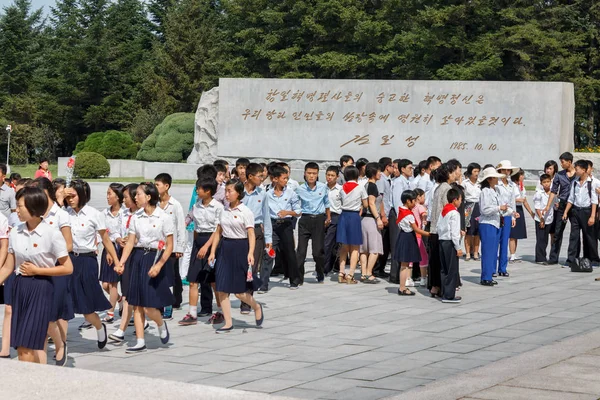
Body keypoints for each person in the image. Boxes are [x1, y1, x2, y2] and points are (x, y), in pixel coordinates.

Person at [0, 187, 71, 363]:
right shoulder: (15, 231)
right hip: (20, 287)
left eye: (20, 206)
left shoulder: (51, 233)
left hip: (41, 288)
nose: (16, 210)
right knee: (23, 346)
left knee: (27, 345)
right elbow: (8, 267)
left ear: (33, 207)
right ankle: (37, 381)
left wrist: (38, 270)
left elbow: (67, 267)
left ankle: (28, 384)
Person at [116, 183, 173, 352]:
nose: (135, 197)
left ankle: (161, 324)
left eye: (139, 194)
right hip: (138, 258)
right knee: (137, 302)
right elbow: (131, 241)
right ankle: (140, 340)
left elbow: (169, 245)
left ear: (148, 197)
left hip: (156, 258)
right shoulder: (136, 217)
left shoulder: (163, 217)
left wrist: (159, 265)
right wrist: (122, 262)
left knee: (149, 305)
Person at [65, 179, 120, 348]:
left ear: (82, 195)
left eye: (73, 196)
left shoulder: (94, 214)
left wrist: (117, 261)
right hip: (68, 260)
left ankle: (98, 326)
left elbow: (106, 240)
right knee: (63, 300)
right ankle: (60, 342)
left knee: (86, 305)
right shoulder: (64, 213)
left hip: (87, 260)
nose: (70, 199)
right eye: (68, 196)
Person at [207, 180, 264, 333]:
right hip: (225, 249)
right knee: (222, 288)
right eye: (226, 191)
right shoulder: (223, 210)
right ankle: (228, 322)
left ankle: (256, 306)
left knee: (239, 291)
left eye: (230, 191)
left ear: (238, 193)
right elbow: (218, 232)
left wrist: (251, 253)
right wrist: (213, 252)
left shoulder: (246, 212)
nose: (227, 194)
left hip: (240, 248)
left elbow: (251, 234)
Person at [30, 178, 73, 366]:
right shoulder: (34, 213)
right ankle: (42, 357)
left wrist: (51, 254)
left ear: (48, 193)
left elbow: (68, 244)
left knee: (52, 313)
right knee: (41, 314)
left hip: (56, 268)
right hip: (36, 270)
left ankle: (60, 344)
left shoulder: (60, 215)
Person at [179, 178, 223, 326]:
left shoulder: (217, 207)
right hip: (198, 242)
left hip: (213, 243)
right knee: (193, 279)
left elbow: (218, 229)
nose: (197, 191)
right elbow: (190, 219)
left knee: (214, 281)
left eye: (199, 189)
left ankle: (221, 312)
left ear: (208, 191)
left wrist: (207, 247)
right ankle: (192, 313)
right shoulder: (196, 205)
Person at [109, 184, 147, 343]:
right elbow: (115, 229)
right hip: (124, 253)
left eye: (126, 197)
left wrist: (133, 240)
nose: (124, 200)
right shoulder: (123, 214)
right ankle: (124, 329)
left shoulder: (144, 214)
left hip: (139, 255)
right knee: (127, 293)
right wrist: (119, 238)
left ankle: (132, 326)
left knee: (134, 294)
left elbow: (147, 236)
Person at [263, 166, 302, 289]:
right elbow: (264, 211)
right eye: (284, 178)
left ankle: (294, 280)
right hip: (272, 225)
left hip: (286, 225)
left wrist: (288, 212)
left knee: (289, 252)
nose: (286, 180)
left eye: (287, 178)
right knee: (269, 253)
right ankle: (263, 283)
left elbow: (298, 211)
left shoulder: (291, 193)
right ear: (275, 179)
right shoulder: (267, 194)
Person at [155, 173, 186, 319]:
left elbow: (180, 227)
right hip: (158, 247)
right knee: (161, 275)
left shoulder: (176, 205)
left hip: (171, 247)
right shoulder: (154, 203)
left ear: (166, 186)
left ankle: (175, 300)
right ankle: (161, 301)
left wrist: (180, 247)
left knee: (173, 275)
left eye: (158, 185)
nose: (155, 187)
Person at [296, 162, 330, 284]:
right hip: (305, 220)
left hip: (319, 219)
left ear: (317, 174)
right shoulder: (299, 189)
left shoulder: (322, 187)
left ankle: (320, 273)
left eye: (314, 173)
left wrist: (328, 217)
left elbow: (327, 204)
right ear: (304, 174)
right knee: (300, 252)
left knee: (317, 252)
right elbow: (294, 203)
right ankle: (299, 277)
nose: (311, 176)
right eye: (309, 173)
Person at [242, 163, 272, 297]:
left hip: (256, 231)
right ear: (250, 176)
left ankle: (247, 300)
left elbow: (266, 216)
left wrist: (269, 238)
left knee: (253, 267)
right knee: (240, 266)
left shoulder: (262, 193)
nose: (262, 179)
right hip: (239, 232)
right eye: (259, 176)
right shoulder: (238, 192)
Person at [562, 160, 598, 265]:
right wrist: (565, 212)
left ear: (583, 170)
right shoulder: (575, 182)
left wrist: (592, 216)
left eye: (577, 169)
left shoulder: (592, 182)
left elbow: (594, 201)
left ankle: (593, 258)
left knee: (589, 236)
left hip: (587, 211)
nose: (575, 171)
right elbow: (571, 198)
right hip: (576, 211)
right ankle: (572, 259)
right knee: (574, 236)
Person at [394, 190, 430, 296]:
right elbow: (416, 229)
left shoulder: (401, 210)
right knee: (405, 264)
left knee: (404, 264)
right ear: (408, 201)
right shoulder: (408, 214)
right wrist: (428, 234)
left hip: (402, 236)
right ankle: (402, 287)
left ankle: (403, 286)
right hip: (408, 237)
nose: (415, 203)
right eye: (413, 201)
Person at [337, 166, 368, 284]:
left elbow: (339, 199)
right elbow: (365, 204)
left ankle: (341, 273)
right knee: (355, 247)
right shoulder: (360, 188)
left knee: (344, 247)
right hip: (354, 217)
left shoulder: (341, 188)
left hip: (343, 216)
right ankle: (350, 274)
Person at [545, 152, 576, 265]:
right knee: (558, 231)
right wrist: (548, 205)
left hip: (575, 206)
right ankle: (553, 258)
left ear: (569, 162)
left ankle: (572, 258)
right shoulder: (559, 175)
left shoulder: (578, 174)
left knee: (574, 233)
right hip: (562, 205)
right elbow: (553, 191)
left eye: (562, 162)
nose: (561, 164)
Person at [99, 183, 124, 324]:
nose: (107, 196)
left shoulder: (124, 214)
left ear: (118, 197)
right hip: (107, 248)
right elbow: (102, 234)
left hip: (120, 249)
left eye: (110, 194)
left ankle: (110, 312)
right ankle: (119, 299)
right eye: (107, 193)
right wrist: (108, 250)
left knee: (113, 283)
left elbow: (122, 233)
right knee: (105, 284)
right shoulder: (104, 213)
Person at [428, 164, 454, 297]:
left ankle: (434, 286)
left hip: (434, 227)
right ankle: (442, 287)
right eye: (453, 172)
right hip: (442, 229)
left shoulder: (438, 187)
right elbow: (447, 209)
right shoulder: (447, 188)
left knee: (435, 259)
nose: (455, 174)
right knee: (443, 261)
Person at [478, 167, 506, 286]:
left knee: (493, 251)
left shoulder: (495, 190)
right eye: (495, 177)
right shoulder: (485, 191)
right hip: (487, 223)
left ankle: (489, 274)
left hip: (495, 222)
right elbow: (484, 209)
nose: (497, 179)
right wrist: (499, 208)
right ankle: (485, 277)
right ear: (489, 179)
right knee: (488, 251)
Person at [437, 189, 463, 303]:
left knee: (444, 269)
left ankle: (444, 292)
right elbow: (454, 232)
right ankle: (449, 295)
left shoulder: (444, 211)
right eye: (460, 199)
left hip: (442, 241)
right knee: (452, 269)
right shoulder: (454, 213)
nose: (461, 202)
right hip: (450, 242)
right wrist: (458, 248)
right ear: (455, 200)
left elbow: (439, 226)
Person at [390, 159, 413, 285]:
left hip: (405, 215)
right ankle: (394, 275)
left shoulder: (408, 182)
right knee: (396, 245)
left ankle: (401, 274)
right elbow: (398, 202)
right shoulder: (399, 182)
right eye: (409, 168)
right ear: (402, 169)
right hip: (399, 216)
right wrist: (402, 220)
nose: (411, 170)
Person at [359, 162, 383, 284]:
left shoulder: (365, 185)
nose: (380, 174)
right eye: (379, 171)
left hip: (363, 220)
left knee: (363, 249)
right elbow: (371, 203)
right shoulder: (372, 186)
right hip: (371, 219)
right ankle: (369, 273)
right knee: (375, 248)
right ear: (374, 173)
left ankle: (363, 273)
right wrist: (378, 218)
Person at [495, 161, 519, 277]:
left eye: (508, 170)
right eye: (504, 170)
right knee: (495, 243)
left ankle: (502, 268)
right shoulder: (496, 184)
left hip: (508, 215)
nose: (507, 172)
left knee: (505, 242)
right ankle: (492, 268)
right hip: (498, 215)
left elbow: (512, 201)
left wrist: (513, 215)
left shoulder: (511, 185)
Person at [509, 169, 534, 263]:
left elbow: (525, 200)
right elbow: (509, 199)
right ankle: (511, 255)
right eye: (521, 175)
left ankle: (514, 254)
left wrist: (531, 212)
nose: (523, 177)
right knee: (512, 234)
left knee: (517, 234)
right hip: (513, 209)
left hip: (520, 209)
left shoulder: (521, 187)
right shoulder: (511, 186)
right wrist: (518, 200)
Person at [374, 157, 393, 279]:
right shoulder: (381, 179)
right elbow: (380, 198)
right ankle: (377, 268)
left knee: (386, 244)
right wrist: (383, 215)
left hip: (386, 213)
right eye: (392, 166)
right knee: (383, 243)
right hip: (383, 215)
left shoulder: (387, 180)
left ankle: (380, 267)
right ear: (387, 166)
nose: (393, 168)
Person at [324, 166, 341, 276]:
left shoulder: (341, 189)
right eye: (328, 175)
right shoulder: (321, 188)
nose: (329, 177)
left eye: (332, 175)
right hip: (322, 216)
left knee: (329, 243)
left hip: (336, 216)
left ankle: (326, 268)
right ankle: (325, 266)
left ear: (337, 177)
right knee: (323, 243)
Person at [534, 174, 555, 264]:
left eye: (548, 182)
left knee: (545, 238)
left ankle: (544, 255)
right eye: (544, 182)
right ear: (541, 183)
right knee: (540, 238)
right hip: (540, 219)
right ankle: (540, 258)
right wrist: (541, 218)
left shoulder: (553, 193)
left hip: (549, 218)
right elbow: (537, 208)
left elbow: (555, 203)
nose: (546, 184)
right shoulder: (539, 194)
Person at [463, 163, 481, 261]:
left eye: (478, 171)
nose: (476, 173)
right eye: (474, 171)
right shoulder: (465, 183)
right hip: (468, 207)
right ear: (470, 172)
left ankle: (476, 253)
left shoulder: (480, 183)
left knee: (477, 231)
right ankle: (468, 253)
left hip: (478, 206)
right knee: (468, 231)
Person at [412, 188, 428, 287]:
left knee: (409, 258)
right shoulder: (420, 206)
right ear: (418, 197)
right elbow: (424, 214)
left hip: (410, 234)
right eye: (423, 196)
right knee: (423, 256)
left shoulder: (411, 207)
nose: (424, 198)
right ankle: (423, 278)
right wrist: (424, 219)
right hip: (418, 234)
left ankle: (408, 278)